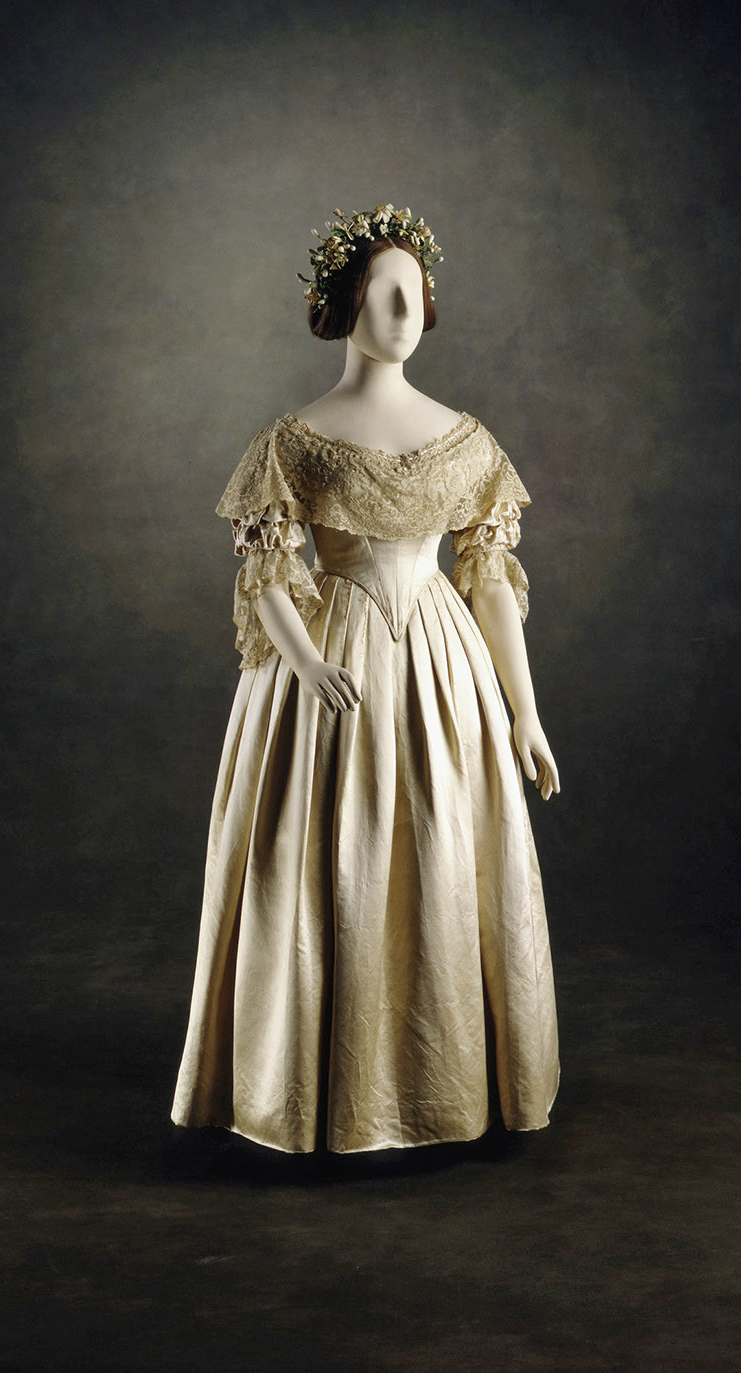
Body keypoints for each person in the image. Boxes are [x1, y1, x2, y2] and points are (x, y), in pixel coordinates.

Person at [170, 204, 561, 1154]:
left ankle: (441, 1082)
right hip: (331, 666)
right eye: (385, 293)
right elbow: (266, 573)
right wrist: (305, 663)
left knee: (444, 856)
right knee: (319, 865)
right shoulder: (294, 441)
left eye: (415, 293)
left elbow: (489, 581)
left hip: (440, 665)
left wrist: (525, 710)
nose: (405, 310)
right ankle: (314, 1087)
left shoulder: (464, 441)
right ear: (346, 301)